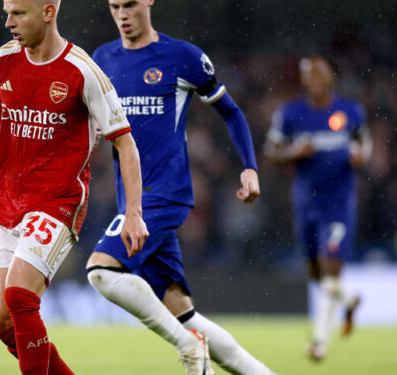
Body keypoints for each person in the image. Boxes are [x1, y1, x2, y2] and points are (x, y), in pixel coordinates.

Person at [0, 1, 155, 374]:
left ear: (48, 12)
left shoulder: (83, 72)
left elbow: (125, 142)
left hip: (58, 201)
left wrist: (133, 212)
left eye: (18, 13)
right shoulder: (0, 63)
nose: (8, 22)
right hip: (6, 204)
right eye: (7, 12)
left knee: (19, 295)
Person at [86, 1, 277, 374]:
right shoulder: (102, 59)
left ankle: (189, 349)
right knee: (186, 315)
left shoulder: (181, 57)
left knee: (101, 272)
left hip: (164, 194)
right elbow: (95, 123)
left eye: (129, 5)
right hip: (134, 201)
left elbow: (231, 112)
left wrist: (250, 168)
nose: (122, 14)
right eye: (114, 6)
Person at [264, 55, 371, 361]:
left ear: (331, 76)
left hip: (339, 203)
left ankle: (319, 343)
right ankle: (349, 301)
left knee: (330, 269)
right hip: (306, 202)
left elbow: (365, 142)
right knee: (316, 273)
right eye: (309, 75)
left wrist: (361, 155)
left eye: (320, 73)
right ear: (303, 80)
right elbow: (271, 150)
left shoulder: (350, 111)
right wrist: (295, 151)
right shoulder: (290, 113)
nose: (316, 79)